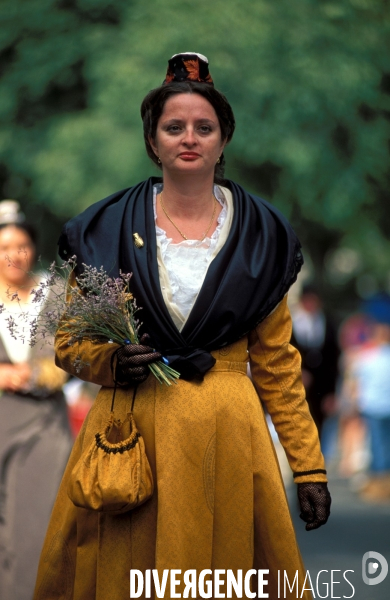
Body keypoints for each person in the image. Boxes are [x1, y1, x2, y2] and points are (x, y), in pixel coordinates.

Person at [34, 53, 331, 600]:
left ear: (223, 140)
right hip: (132, 439)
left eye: (203, 127)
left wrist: (309, 469)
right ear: (153, 141)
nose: (188, 137)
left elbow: (278, 366)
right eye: (173, 127)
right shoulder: (106, 227)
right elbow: (70, 343)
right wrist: (109, 362)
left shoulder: (262, 236)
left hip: (229, 438)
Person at [0, 201, 72, 600]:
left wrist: (42, 373)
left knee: (33, 534)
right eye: (3, 246)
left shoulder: (56, 293)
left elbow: (77, 355)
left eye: (21, 245)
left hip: (42, 427)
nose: (13, 254)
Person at [291, 284, 340, 437]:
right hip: (298, 384)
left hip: (322, 387)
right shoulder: (291, 323)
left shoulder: (328, 323)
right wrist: (297, 371)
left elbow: (333, 360)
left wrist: (332, 392)